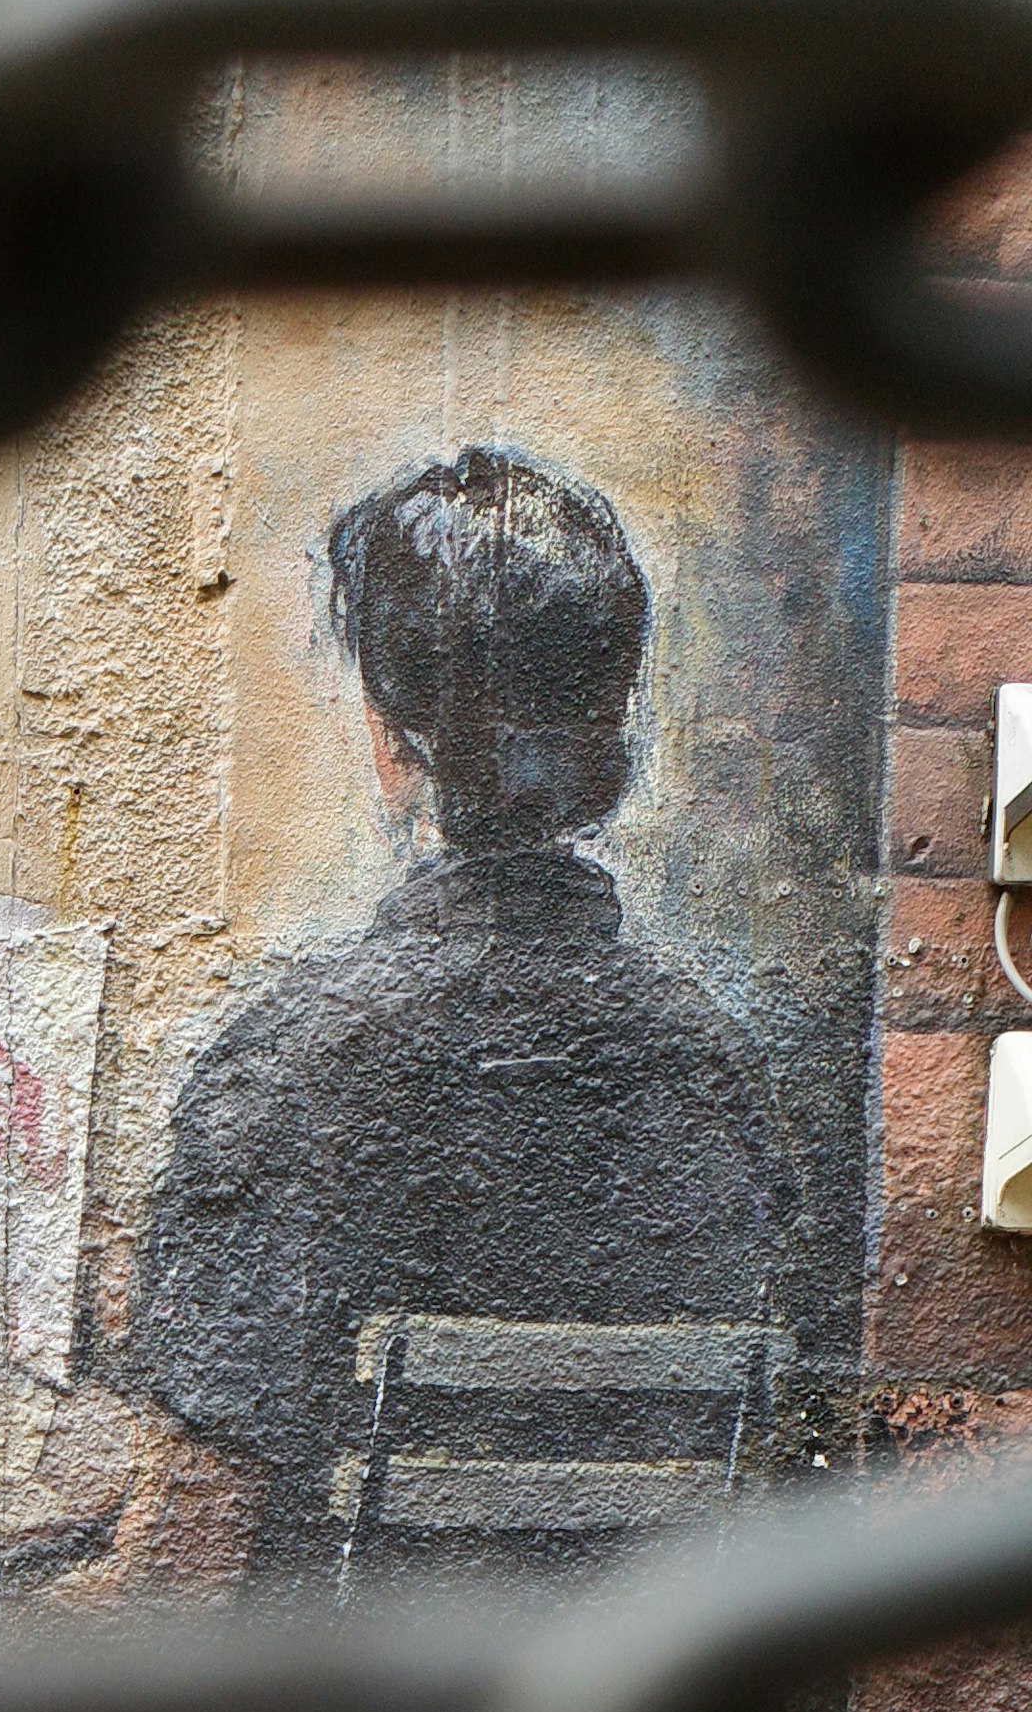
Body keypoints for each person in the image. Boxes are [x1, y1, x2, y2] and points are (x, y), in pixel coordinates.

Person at [114, 443, 804, 1582]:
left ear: (394, 743)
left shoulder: (291, 1061)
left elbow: (183, 1564)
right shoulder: (720, 1068)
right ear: (609, 734)